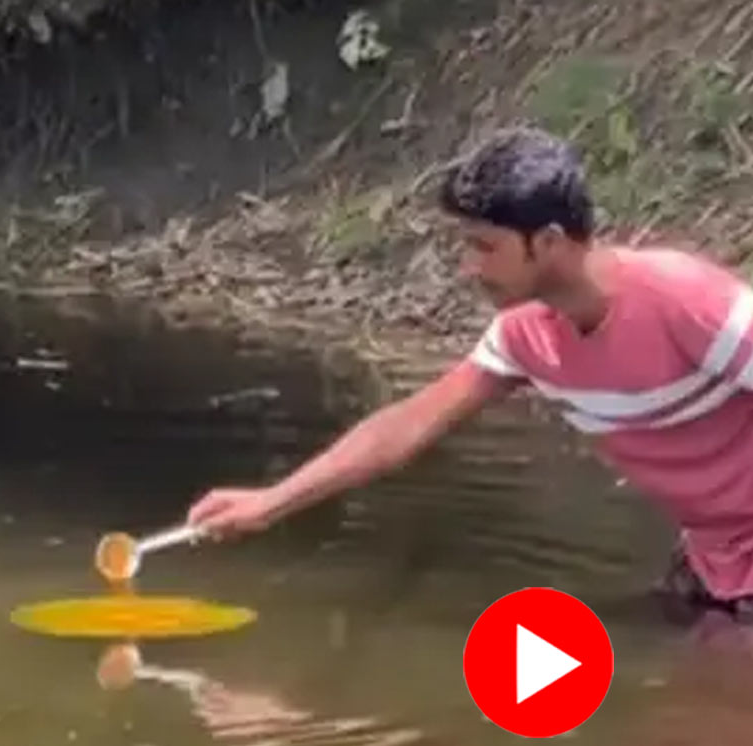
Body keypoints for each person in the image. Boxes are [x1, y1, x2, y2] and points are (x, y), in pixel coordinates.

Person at [186, 125, 753, 624]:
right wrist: (270, 503)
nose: (468, 268)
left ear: (549, 242)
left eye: (486, 247)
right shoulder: (524, 335)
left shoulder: (686, 299)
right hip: (713, 560)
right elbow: (404, 428)